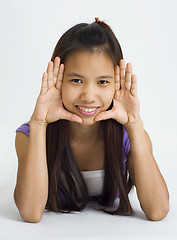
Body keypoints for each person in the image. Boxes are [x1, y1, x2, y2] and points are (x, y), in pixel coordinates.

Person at [14, 18, 169, 223]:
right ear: (57, 81)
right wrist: (39, 123)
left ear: (117, 83)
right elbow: (31, 213)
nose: (88, 95)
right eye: (76, 80)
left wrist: (134, 124)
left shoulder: (128, 137)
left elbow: (158, 210)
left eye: (103, 82)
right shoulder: (30, 135)